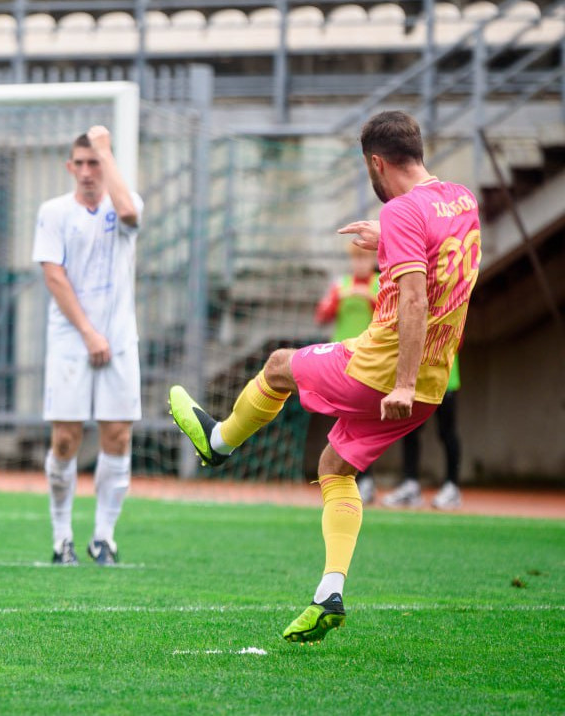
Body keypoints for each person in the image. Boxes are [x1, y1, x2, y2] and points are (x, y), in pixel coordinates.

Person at [168, 110, 480, 643]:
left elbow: (410, 297)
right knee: (334, 466)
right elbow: (442, 256)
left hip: (381, 369)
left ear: (376, 163)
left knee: (278, 365)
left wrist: (399, 381)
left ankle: (218, 442)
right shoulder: (461, 198)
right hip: (433, 380)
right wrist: (387, 235)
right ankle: (329, 592)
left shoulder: (405, 210)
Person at [33, 126, 144, 567]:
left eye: (94, 162)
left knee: (117, 435)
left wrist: (106, 150)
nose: (85, 171)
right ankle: (62, 538)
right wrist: (88, 333)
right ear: (68, 167)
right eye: (78, 163)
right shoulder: (54, 211)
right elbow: (53, 275)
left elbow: (130, 214)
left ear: (107, 164)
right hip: (69, 339)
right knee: (65, 439)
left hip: (119, 338)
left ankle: (104, 537)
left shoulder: (125, 202)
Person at [312, 244, 381, 503]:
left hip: (370, 363)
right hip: (342, 364)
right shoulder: (341, 285)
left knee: (363, 424)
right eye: (356, 258)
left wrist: (367, 296)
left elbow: (390, 314)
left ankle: (366, 480)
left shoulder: (380, 283)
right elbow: (321, 315)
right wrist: (341, 297)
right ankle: (345, 480)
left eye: (365, 258)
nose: (360, 263)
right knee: (343, 424)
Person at [383, 360, 463, 509]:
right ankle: (410, 484)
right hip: (420, 381)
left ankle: (452, 486)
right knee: (410, 431)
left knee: (447, 433)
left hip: (445, 380)